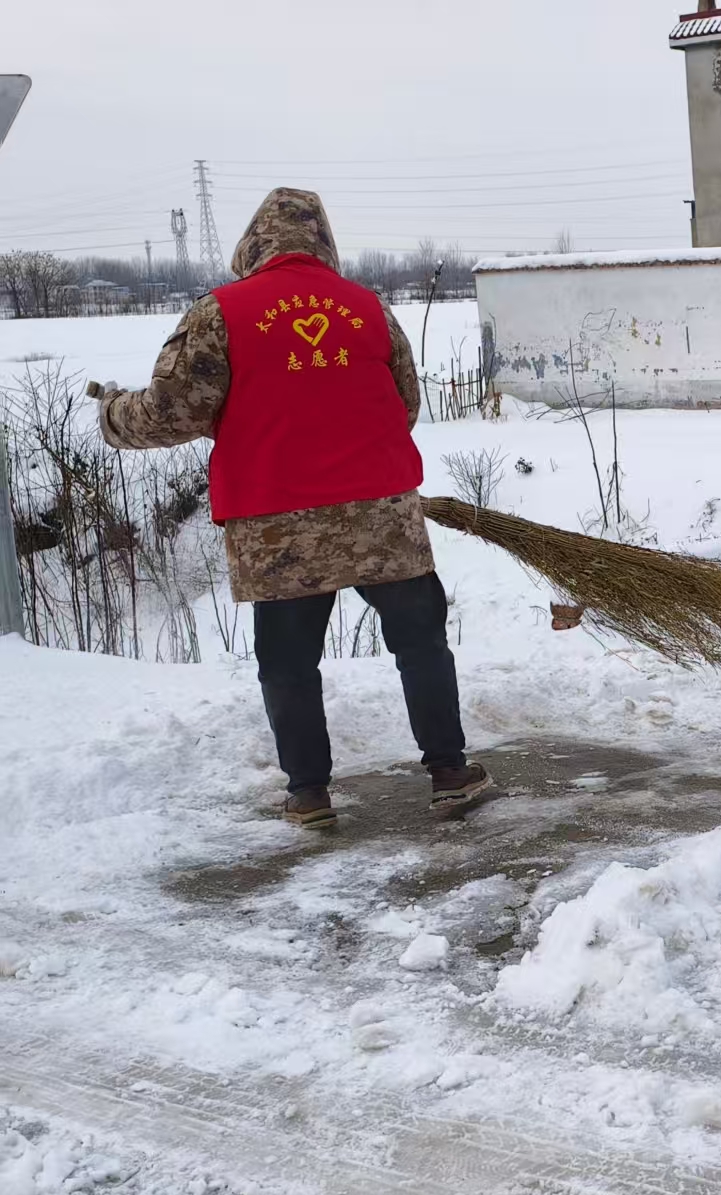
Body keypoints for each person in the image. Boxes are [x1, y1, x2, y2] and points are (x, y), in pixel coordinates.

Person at [98, 188, 492, 829]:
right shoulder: (369, 308)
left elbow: (172, 412)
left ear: (255, 242)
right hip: (380, 514)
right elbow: (404, 405)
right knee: (420, 644)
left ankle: (309, 794)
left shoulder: (220, 313)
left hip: (276, 523)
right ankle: (450, 773)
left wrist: (114, 414)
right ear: (322, 240)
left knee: (287, 661)